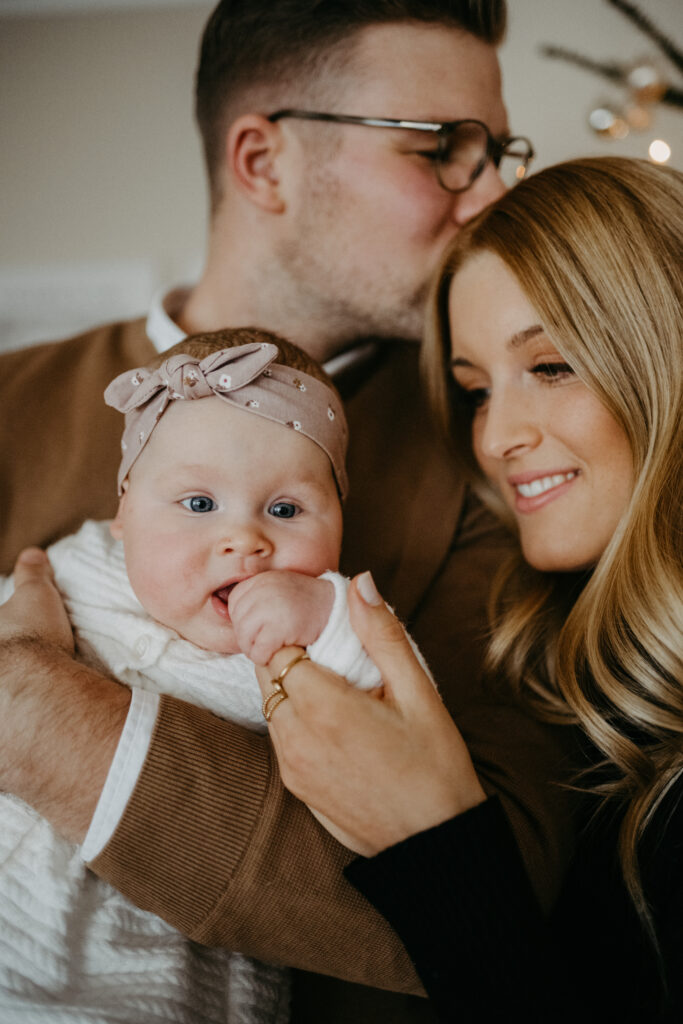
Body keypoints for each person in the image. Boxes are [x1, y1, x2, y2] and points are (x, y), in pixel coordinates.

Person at [0, 3, 575, 1021]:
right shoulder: (11, 401)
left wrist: (39, 716)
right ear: (262, 161)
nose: (492, 190)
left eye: (496, 150)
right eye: (443, 148)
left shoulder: (502, 459)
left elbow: (489, 893)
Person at [251, 157, 683, 1022]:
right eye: (474, 390)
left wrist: (435, 844)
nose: (494, 438)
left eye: (551, 366)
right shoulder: (564, 683)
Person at [0, 327, 383, 1022]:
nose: (244, 539)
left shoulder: (324, 632)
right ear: (122, 514)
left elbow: (401, 738)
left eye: (286, 510)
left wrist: (325, 615)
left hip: (141, 972)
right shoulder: (69, 569)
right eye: (199, 504)